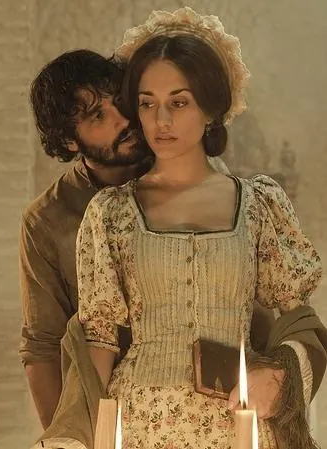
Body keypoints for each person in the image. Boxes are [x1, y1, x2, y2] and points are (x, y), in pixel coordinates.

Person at [76, 7, 325, 449]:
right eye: (147, 103)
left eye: (179, 102)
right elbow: (100, 339)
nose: (161, 121)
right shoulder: (110, 212)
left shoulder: (258, 204)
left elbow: (299, 318)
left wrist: (277, 375)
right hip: (141, 422)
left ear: (210, 108)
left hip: (239, 419)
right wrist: (86, 437)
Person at [19, 48, 240, 430]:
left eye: (120, 102)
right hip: (115, 413)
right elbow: (42, 343)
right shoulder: (48, 220)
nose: (123, 120)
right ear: (69, 141)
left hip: (215, 405)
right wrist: (67, 435)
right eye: (97, 116)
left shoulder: (190, 173)